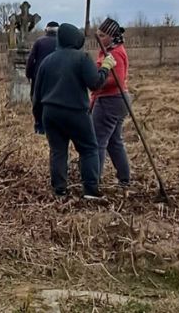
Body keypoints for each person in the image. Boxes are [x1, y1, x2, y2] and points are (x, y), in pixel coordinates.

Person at [32, 23, 116, 199]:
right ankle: (91, 191)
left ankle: (59, 190)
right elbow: (95, 83)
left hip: (51, 114)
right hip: (76, 112)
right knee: (89, 149)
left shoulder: (47, 61)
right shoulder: (82, 58)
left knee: (58, 151)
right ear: (76, 39)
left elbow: (36, 94)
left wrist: (38, 120)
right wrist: (106, 67)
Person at [91, 18, 131, 190]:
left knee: (98, 140)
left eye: (102, 35)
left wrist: (95, 80)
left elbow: (117, 80)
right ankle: (124, 178)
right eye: (98, 34)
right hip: (117, 100)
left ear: (112, 36)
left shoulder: (114, 53)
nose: (99, 37)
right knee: (114, 141)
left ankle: (94, 180)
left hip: (110, 100)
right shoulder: (109, 51)